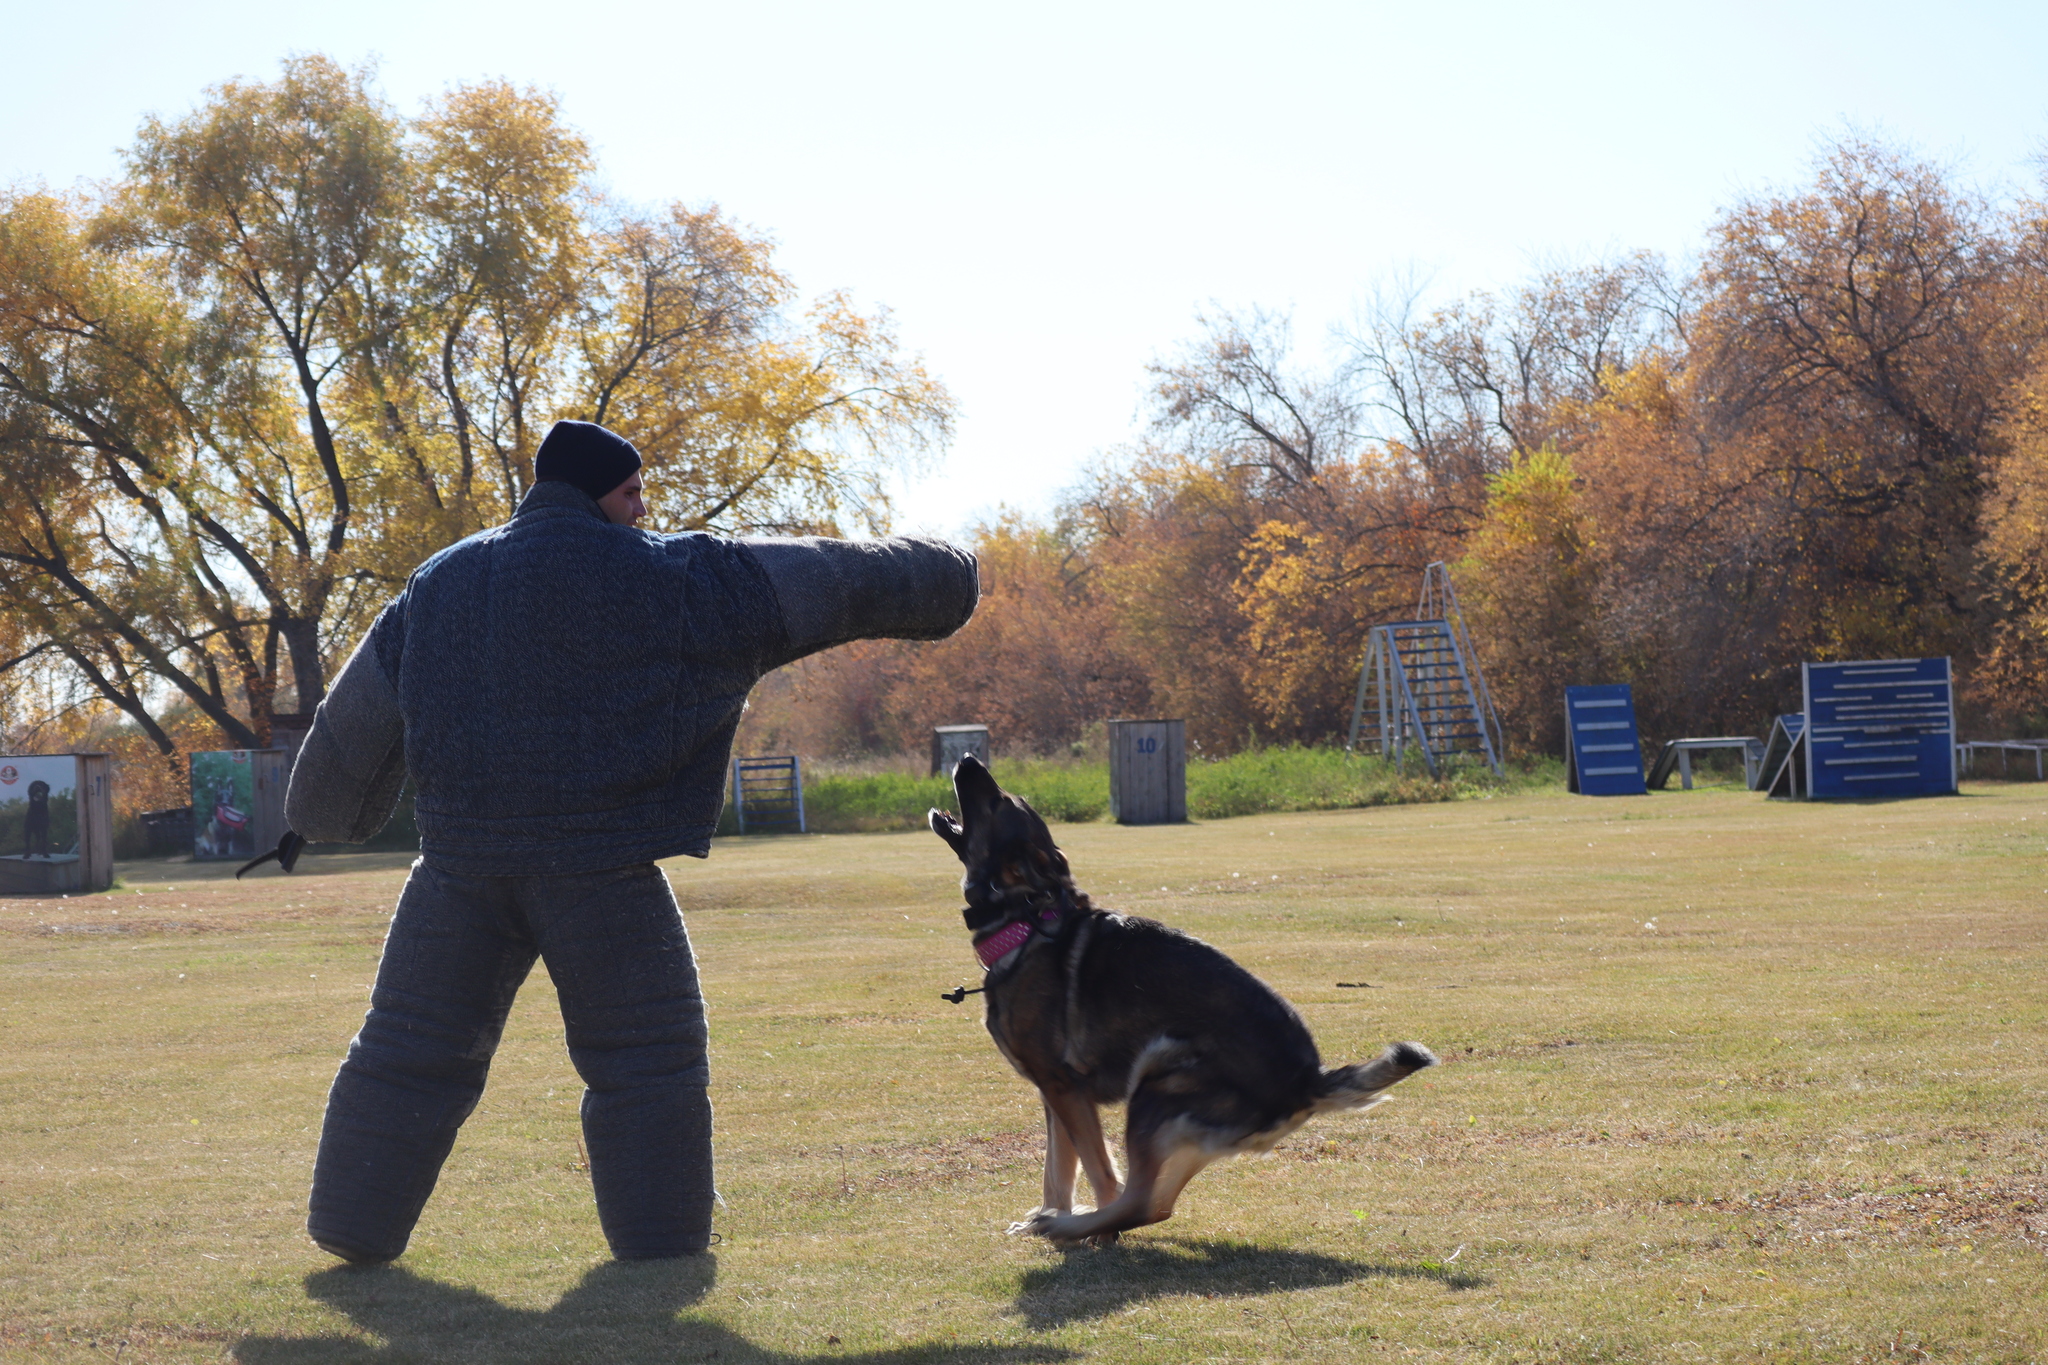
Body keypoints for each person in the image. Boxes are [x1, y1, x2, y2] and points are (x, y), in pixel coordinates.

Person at [282, 419, 978, 1264]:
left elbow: (333, 770)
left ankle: (352, 1226)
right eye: (632, 492)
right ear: (593, 492)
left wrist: (329, 816)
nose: (643, 510)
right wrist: (954, 573)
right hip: (600, 871)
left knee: (407, 1050)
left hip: (457, 870)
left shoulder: (441, 582)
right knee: (648, 1060)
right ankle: (660, 1244)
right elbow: (843, 580)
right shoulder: (678, 575)